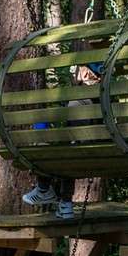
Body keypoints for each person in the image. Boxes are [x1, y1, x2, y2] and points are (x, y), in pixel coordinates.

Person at [22, 62, 104, 220]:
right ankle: (64, 203)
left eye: (76, 70)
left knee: (47, 144)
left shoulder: (79, 100)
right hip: (102, 153)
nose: (73, 73)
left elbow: (74, 136)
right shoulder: (106, 96)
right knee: (68, 150)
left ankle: (45, 189)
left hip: (82, 154)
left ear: (85, 74)